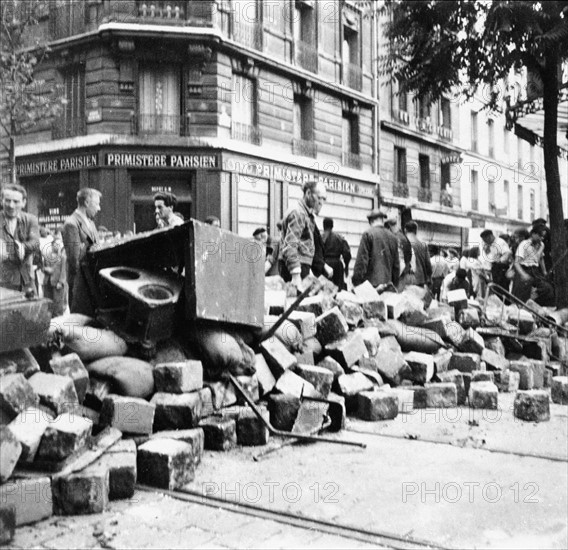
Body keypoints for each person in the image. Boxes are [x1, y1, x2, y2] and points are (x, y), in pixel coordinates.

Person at [279, 180, 332, 290]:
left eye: (324, 199)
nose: (321, 202)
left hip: (301, 266)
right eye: (319, 198)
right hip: (294, 267)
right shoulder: (298, 213)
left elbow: (304, 244)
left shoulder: (306, 214)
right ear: (308, 194)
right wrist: (296, 274)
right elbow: (290, 245)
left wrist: (309, 272)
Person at [62, 188, 101, 309]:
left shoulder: (91, 223)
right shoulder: (71, 223)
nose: (99, 208)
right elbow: (75, 261)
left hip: (92, 283)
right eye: (97, 204)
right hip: (81, 286)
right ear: (87, 203)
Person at [0, 184, 40, 293]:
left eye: (16, 201)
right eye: (7, 200)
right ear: (1, 200)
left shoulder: (31, 220)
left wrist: (23, 247)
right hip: (3, 283)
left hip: (26, 280)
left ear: (23, 203)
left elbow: (35, 243)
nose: (11, 205)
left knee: (32, 308)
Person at [352, 209, 399, 290]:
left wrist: (356, 281)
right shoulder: (393, 237)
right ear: (382, 220)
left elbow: (361, 262)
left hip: (371, 287)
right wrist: (394, 284)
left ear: (370, 221)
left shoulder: (368, 234)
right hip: (388, 286)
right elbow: (396, 266)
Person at [512, 226, 554, 305]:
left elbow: (540, 259)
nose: (542, 238)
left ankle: (533, 303)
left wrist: (544, 272)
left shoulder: (541, 244)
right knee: (521, 296)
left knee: (547, 289)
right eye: (540, 236)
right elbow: (517, 262)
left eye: (543, 237)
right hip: (524, 269)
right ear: (533, 234)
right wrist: (523, 274)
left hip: (535, 271)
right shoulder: (524, 244)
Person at [42, 226, 68, 316]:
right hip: (47, 282)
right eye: (55, 244)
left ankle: (58, 322)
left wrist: (61, 282)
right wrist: (46, 270)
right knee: (48, 303)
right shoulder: (47, 255)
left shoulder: (62, 257)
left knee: (58, 304)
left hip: (57, 283)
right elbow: (42, 267)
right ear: (52, 245)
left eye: (59, 244)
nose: (57, 246)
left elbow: (64, 271)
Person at [322, 217, 351, 290]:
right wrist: (346, 265)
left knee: (326, 289)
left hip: (324, 265)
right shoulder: (339, 238)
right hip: (337, 265)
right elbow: (347, 253)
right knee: (338, 288)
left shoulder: (320, 238)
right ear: (332, 226)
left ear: (323, 226)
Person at [385, 217, 413, 291]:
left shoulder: (397, 238)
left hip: (399, 273)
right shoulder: (403, 237)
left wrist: (395, 277)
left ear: (389, 227)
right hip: (404, 271)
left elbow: (401, 261)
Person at [404, 221, 432, 289]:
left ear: (405, 230)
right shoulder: (423, 245)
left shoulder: (402, 242)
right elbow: (428, 265)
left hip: (405, 280)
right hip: (420, 280)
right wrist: (429, 278)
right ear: (416, 230)